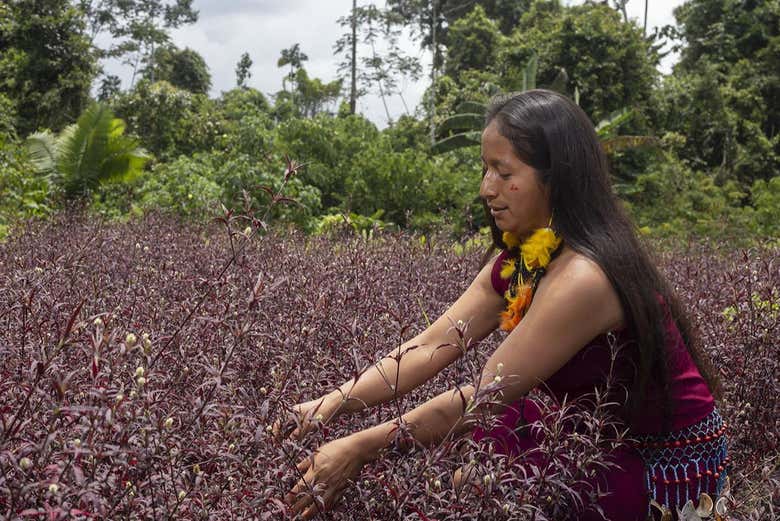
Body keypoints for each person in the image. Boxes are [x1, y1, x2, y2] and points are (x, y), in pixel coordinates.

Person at [277, 90, 727, 520]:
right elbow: (429, 346)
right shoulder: (519, 261)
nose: (486, 188)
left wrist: (359, 448)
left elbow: (486, 395)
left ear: (557, 177)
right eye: (485, 169)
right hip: (586, 431)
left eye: (503, 172)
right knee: (478, 466)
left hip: (662, 462)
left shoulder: (585, 278)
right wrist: (326, 405)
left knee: (483, 480)